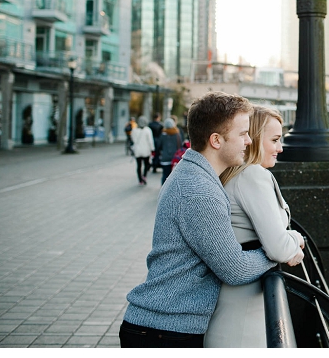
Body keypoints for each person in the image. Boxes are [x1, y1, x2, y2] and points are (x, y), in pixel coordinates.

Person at [119, 92, 277, 348]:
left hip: (162, 328)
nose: (249, 141)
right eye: (242, 134)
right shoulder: (199, 190)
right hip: (164, 332)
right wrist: (276, 251)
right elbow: (235, 269)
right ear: (216, 140)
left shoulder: (193, 174)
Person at [204, 105, 304, 348]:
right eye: (275, 140)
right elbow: (279, 249)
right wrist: (296, 239)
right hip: (244, 318)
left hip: (236, 309)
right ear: (256, 139)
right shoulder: (253, 176)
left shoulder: (235, 174)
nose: (280, 148)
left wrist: (287, 236)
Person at [158, 118, 182, 185]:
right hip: (174, 159)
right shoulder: (177, 134)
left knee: (165, 175)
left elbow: (159, 146)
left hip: (165, 158)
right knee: (173, 176)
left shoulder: (163, 135)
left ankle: (163, 190)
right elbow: (180, 146)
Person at [131, 116, 155, 186]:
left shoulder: (134, 130)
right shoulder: (148, 130)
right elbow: (150, 141)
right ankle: (144, 176)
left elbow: (133, 139)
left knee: (139, 166)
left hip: (137, 150)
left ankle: (140, 180)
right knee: (146, 164)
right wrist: (152, 149)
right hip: (146, 150)